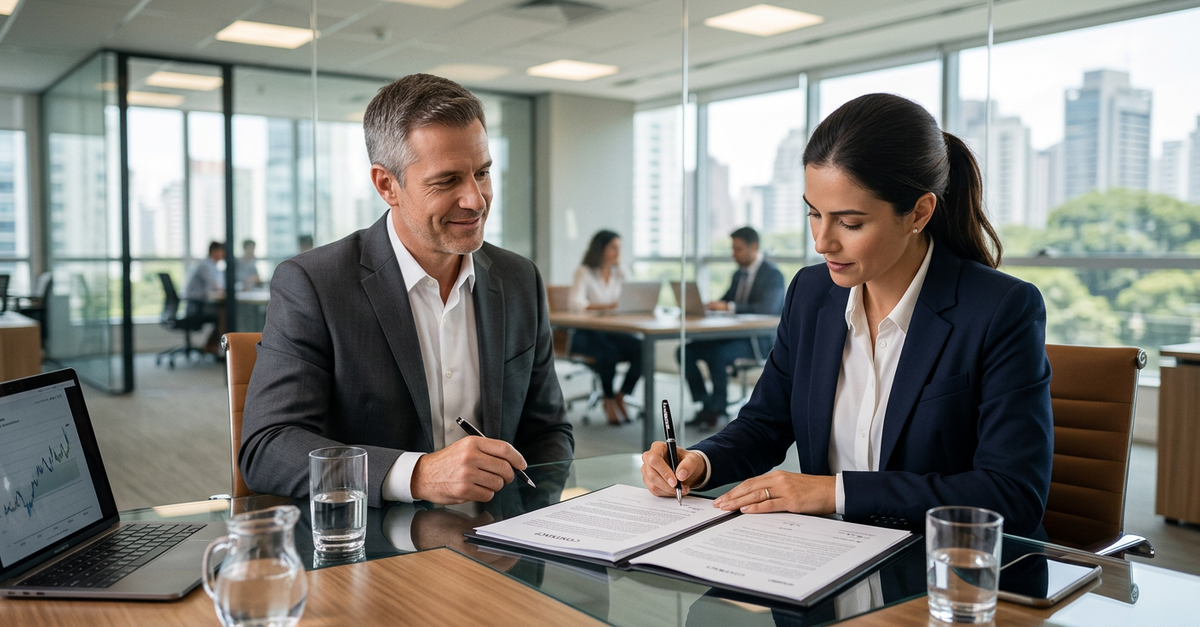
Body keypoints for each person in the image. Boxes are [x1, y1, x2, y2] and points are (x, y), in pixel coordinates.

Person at [642, 93, 1054, 537]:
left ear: (919, 212)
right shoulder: (812, 293)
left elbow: (1012, 495)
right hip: (823, 559)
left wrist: (833, 493)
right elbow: (765, 423)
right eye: (814, 214)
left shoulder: (1000, 309)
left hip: (934, 571)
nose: (822, 242)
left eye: (850, 223)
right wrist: (699, 463)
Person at [240, 73, 574, 509]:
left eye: (483, 172)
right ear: (387, 185)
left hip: (499, 539)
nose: (475, 199)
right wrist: (415, 475)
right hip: (378, 548)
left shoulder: (519, 279)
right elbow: (268, 446)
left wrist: (532, 523)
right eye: (447, 180)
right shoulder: (315, 284)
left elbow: (549, 432)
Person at [679, 226, 785, 429]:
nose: (733, 254)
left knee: (718, 355)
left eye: (737, 249)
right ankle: (707, 404)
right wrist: (710, 306)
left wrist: (728, 307)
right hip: (731, 337)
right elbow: (726, 300)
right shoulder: (739, 275)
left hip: (758, 341)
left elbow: (768, 309)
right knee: (685, 351)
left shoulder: (773, 275)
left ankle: (718, 410)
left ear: (753, 247)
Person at [568, 230, 643, 426]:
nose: (618, 252)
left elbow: (634, 295)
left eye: (619, 248)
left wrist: (623, 269)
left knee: (642, 349)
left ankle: (622, 394)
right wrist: (605, 307)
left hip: (613, 330)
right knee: (607, 353)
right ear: (600, 249)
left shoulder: (619, 271)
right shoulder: (584, 271)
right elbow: (576, 303)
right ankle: (608, 399)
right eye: (613, 248)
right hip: (586, 332)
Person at [183, 240, 226, 355]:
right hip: (197, 307)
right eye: (223, 251)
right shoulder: (205, 266)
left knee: (225, 313)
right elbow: (213, 287)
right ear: (215, 251)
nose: (225, 254)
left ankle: (211, 346)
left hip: (199, 304)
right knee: (225, 315)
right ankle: (215, 348)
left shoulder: (212, 266)